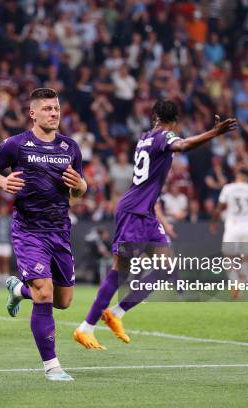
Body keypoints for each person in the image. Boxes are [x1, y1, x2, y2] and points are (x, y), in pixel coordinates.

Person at [73, 99, 236, 350]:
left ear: (154, 117)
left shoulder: (146, 136)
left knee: (167, 265)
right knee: (121, 271)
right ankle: (86, 328)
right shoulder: (164, 136)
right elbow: (181, 145)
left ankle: (116, 312)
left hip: (144, 211)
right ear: (176, 121)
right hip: (134, 212)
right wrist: (214, 133)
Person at [0, 88, 86, 381]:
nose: (54, 113)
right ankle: (52, 367)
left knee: (62, 301)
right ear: (33, 113)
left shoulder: (70, 148)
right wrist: (3, 182)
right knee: (45, 293)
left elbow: (80, 190)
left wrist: (80, 185)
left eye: (57, 108)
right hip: (29, 231)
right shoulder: (16, 145)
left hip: (60, 231)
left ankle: (17, 289)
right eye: (48, 109)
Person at [210, 169, 248, 299]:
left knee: (228, 257)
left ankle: (235, 282)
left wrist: (213, 222)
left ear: (237, 176)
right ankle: (240, 287)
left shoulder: (228, 188)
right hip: (247, 227)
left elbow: (219, 208)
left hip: (232, 226)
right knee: (244, 258)